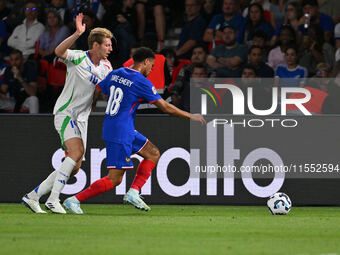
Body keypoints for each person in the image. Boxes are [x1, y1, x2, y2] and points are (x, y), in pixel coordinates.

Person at [63, 47, 205, 214]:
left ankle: (133, 192)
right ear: (145, 62)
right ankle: (74, 200)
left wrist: (93, 106)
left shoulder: (116, 73)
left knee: (153, 153)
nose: (151, 69)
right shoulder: (141, 82)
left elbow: (99, 88)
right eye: (151, 66)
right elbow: (166, 107)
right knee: (114, 179)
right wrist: (190, 116)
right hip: (120, 131)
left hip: (121, 127)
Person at [21, 13, 114, 214]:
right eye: (107, 45)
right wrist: (78, 33)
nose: (111, 49)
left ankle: (33, 196)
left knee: (74, 167)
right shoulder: (78, 56)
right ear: (96, 45)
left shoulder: (107, 67)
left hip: (82, 118)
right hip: (66, 113)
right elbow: (58, 50)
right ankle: (54, 199)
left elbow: (102, 89)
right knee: (76, 152)